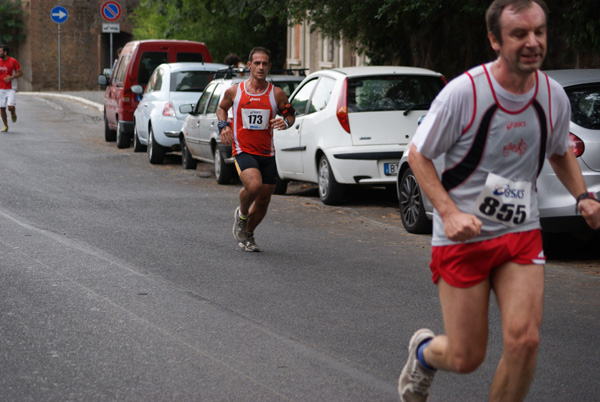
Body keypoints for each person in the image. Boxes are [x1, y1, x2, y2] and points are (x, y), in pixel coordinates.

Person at [397, 0, 600, 401]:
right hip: (462, 236)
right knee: (466, 356)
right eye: (519, 34)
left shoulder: (553, 96)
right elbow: (417, 155)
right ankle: (423, 353)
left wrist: (583, 197)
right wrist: (450, 213)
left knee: (525, 342)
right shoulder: (465, 93)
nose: (533, 42)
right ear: (494, 39)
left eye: (539, 32)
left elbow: (559, 150)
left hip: (521, 231)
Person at [217, 47, 295, 252]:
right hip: (243, 149)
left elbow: (291, 116)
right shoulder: (235, 91)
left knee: (264, 198)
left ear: (269, 66)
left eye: (265, 63)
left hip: (267, 153)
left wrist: (285, 123)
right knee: (254, 185)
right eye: (257, 63)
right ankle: (241, 214)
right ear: (249, 65)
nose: (261, 67)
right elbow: (221, 108)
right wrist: (223, 125)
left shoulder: (276, 94)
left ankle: (247, 234)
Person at [0, 45, 23, 132]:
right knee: (2, 108)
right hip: (0, 89)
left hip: (10, 88)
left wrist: (12, 77)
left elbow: (21, 73)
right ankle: (5, 126)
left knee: (10, 107)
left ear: (5, 52)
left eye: (0, 51)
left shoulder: (13, 61)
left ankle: (13, 112)